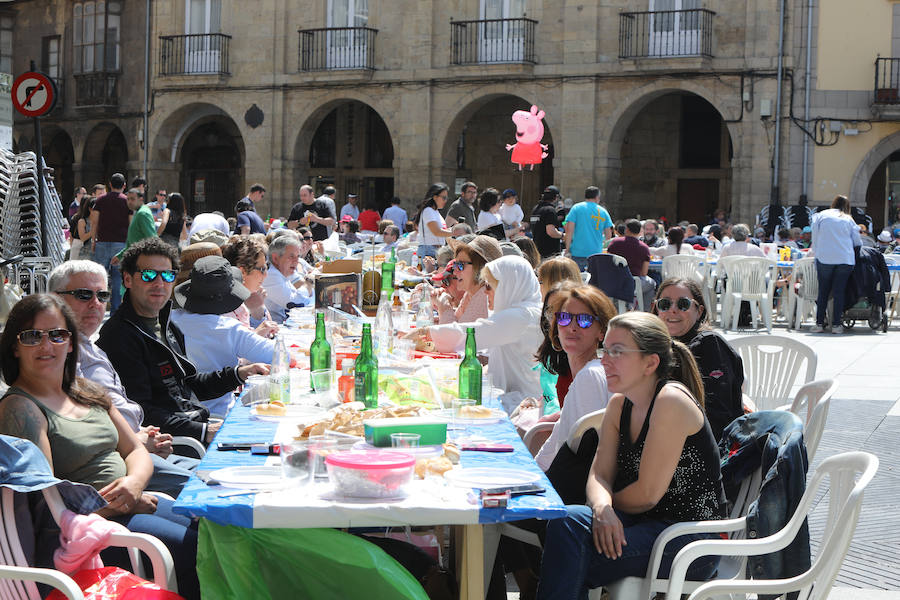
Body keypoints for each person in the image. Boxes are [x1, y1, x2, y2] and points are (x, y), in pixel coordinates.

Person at [0, 294, 200, 599]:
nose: (46, 345)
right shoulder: (21, 409)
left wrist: (133, 485)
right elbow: (44, 503)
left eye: (57, 334)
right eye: (31, 336)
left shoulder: (86, 391)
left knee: (216, 534)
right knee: (196, 551)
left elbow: (135, 450)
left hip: (134, 502)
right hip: (93, 533)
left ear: (70, 343)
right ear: (14, 347)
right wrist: (124, 503)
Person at [536, 312, 726, 599]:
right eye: (605, 349)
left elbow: (647, 494)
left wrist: (606, 509)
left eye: (617, 351)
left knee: (570, 552)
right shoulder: (619, 404)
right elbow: (599, 474)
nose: (604, 359)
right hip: (643, 524)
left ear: (650, 362)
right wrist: (602, 508)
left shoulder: (670, 400)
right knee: (567, 521)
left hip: (689, 540)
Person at [48, 260, 198, 498]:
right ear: (54, 299)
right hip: (117, 465)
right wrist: (135, 441)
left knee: (219, 474)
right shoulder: (56, 356)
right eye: (84, 295)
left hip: (142, 448)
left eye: (102, 295)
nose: (96, 304)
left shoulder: (91, 346)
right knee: (210, 488)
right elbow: (78, 432)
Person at [97, 238, 268, 443]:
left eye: (167, 275)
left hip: (196, 424)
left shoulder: (166, 324)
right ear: (127, 280)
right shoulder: (120, 335)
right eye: (149, 274)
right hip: (175, 443)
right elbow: (140, 411)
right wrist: (204, 431)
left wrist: (239, 374)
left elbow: (187, 385)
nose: (159, 283)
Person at [405, 256, 543, 398]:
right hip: (513, 396)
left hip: (521, 401)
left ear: (508, 286)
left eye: (489, 286)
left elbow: (471, 333)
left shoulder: (522, 316)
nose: (485, 291)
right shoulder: (521, 312)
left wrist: (424, 332)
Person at [171, 257, 275, 416]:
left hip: (177, 414)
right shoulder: (229, 329)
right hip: (220, 416)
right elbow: (279, 355)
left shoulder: (168, 320)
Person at [651, 278, 744, 439]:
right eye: (665, 304)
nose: (673, 310)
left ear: (699, 311)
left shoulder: (709, 346)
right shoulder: (653, 347)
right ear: (656, 309)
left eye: (683, 304)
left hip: (707, 449)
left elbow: (718, 417)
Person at [534, 285, 615, 471]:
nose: (572, 327)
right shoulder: (594, 371)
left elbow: (578, 457)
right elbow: (550, 452)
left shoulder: (590, 376)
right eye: (564, 318)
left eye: (584, 320)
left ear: (601, 331)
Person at [811, 194, 862, 333]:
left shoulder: (820, 216)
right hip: (845, 259)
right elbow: (857, 242)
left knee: (823, 292)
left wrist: (817, 253)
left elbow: (814, 238)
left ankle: (819, 323)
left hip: (825, 258)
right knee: (839, 292)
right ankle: (836, 325)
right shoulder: (848, 219)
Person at [433, 236, 502, 325]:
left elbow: (455, 335)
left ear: (480, 267)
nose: (454, 271)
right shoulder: (472, 292)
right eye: (455, 264)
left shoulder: (485, 295)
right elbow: (459, 321)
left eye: (460, 265)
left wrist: (444, 304)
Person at [220, 236, 278, 337]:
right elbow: (235, 348)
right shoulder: (226, 304)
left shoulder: (253, 294)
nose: (266, 274)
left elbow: (271, 333)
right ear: (242, 272)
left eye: (266, 268)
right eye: (262, 269)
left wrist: (258, 309)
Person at [90, 173, 130, 312]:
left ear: (109, 185)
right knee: (118, 279)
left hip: (102, 242)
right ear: (124, 186)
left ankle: (96, 308)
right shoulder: (127, 201)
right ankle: (115, 310)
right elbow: (131, 224)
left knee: (99, 279)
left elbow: (94, 222)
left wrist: (93, 240)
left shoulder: (100, 200)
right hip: (121, 244)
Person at [262, 234, 313, 323]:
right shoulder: (270, 275)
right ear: (275, 258)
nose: (296, 261)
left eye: (298, 256)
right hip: (274, 329)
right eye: (291, 256)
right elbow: (297, 303)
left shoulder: (284, 269)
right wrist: (309, 282)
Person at [607, 219, 656, 310]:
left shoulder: (614, 243)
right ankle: (644, 311)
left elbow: (608, 264)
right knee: (652, 283)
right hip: (633, 283)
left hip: (614, 282)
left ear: (627, 230)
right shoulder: (644, 248)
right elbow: (644, 273)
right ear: (639, 231)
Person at [563, 186, 614, 271]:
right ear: (597, 197)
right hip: (596, 253)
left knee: (578, 281)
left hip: (577, 252)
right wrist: (599, 243)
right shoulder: (603, 211)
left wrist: (567, 249)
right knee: (594, 282)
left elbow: (569, 230)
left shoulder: (576, 208)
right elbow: (608, 236)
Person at [412, 182, 453, 259]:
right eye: (444, 198)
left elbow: (441, 231)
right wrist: (455, 232)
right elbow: (437, 232)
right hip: (428, 251)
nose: (446, 201)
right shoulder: (428, 211)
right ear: (435, 197)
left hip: (435, 250)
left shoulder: (435, 212)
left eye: (447, 198)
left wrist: (452, 230)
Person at [530, 186, 564, 259]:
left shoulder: (535, 209)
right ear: (556, 197)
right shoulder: (550, 210)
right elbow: (551, 232)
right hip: (549, 254)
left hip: (537, 252)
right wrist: (563, 236)